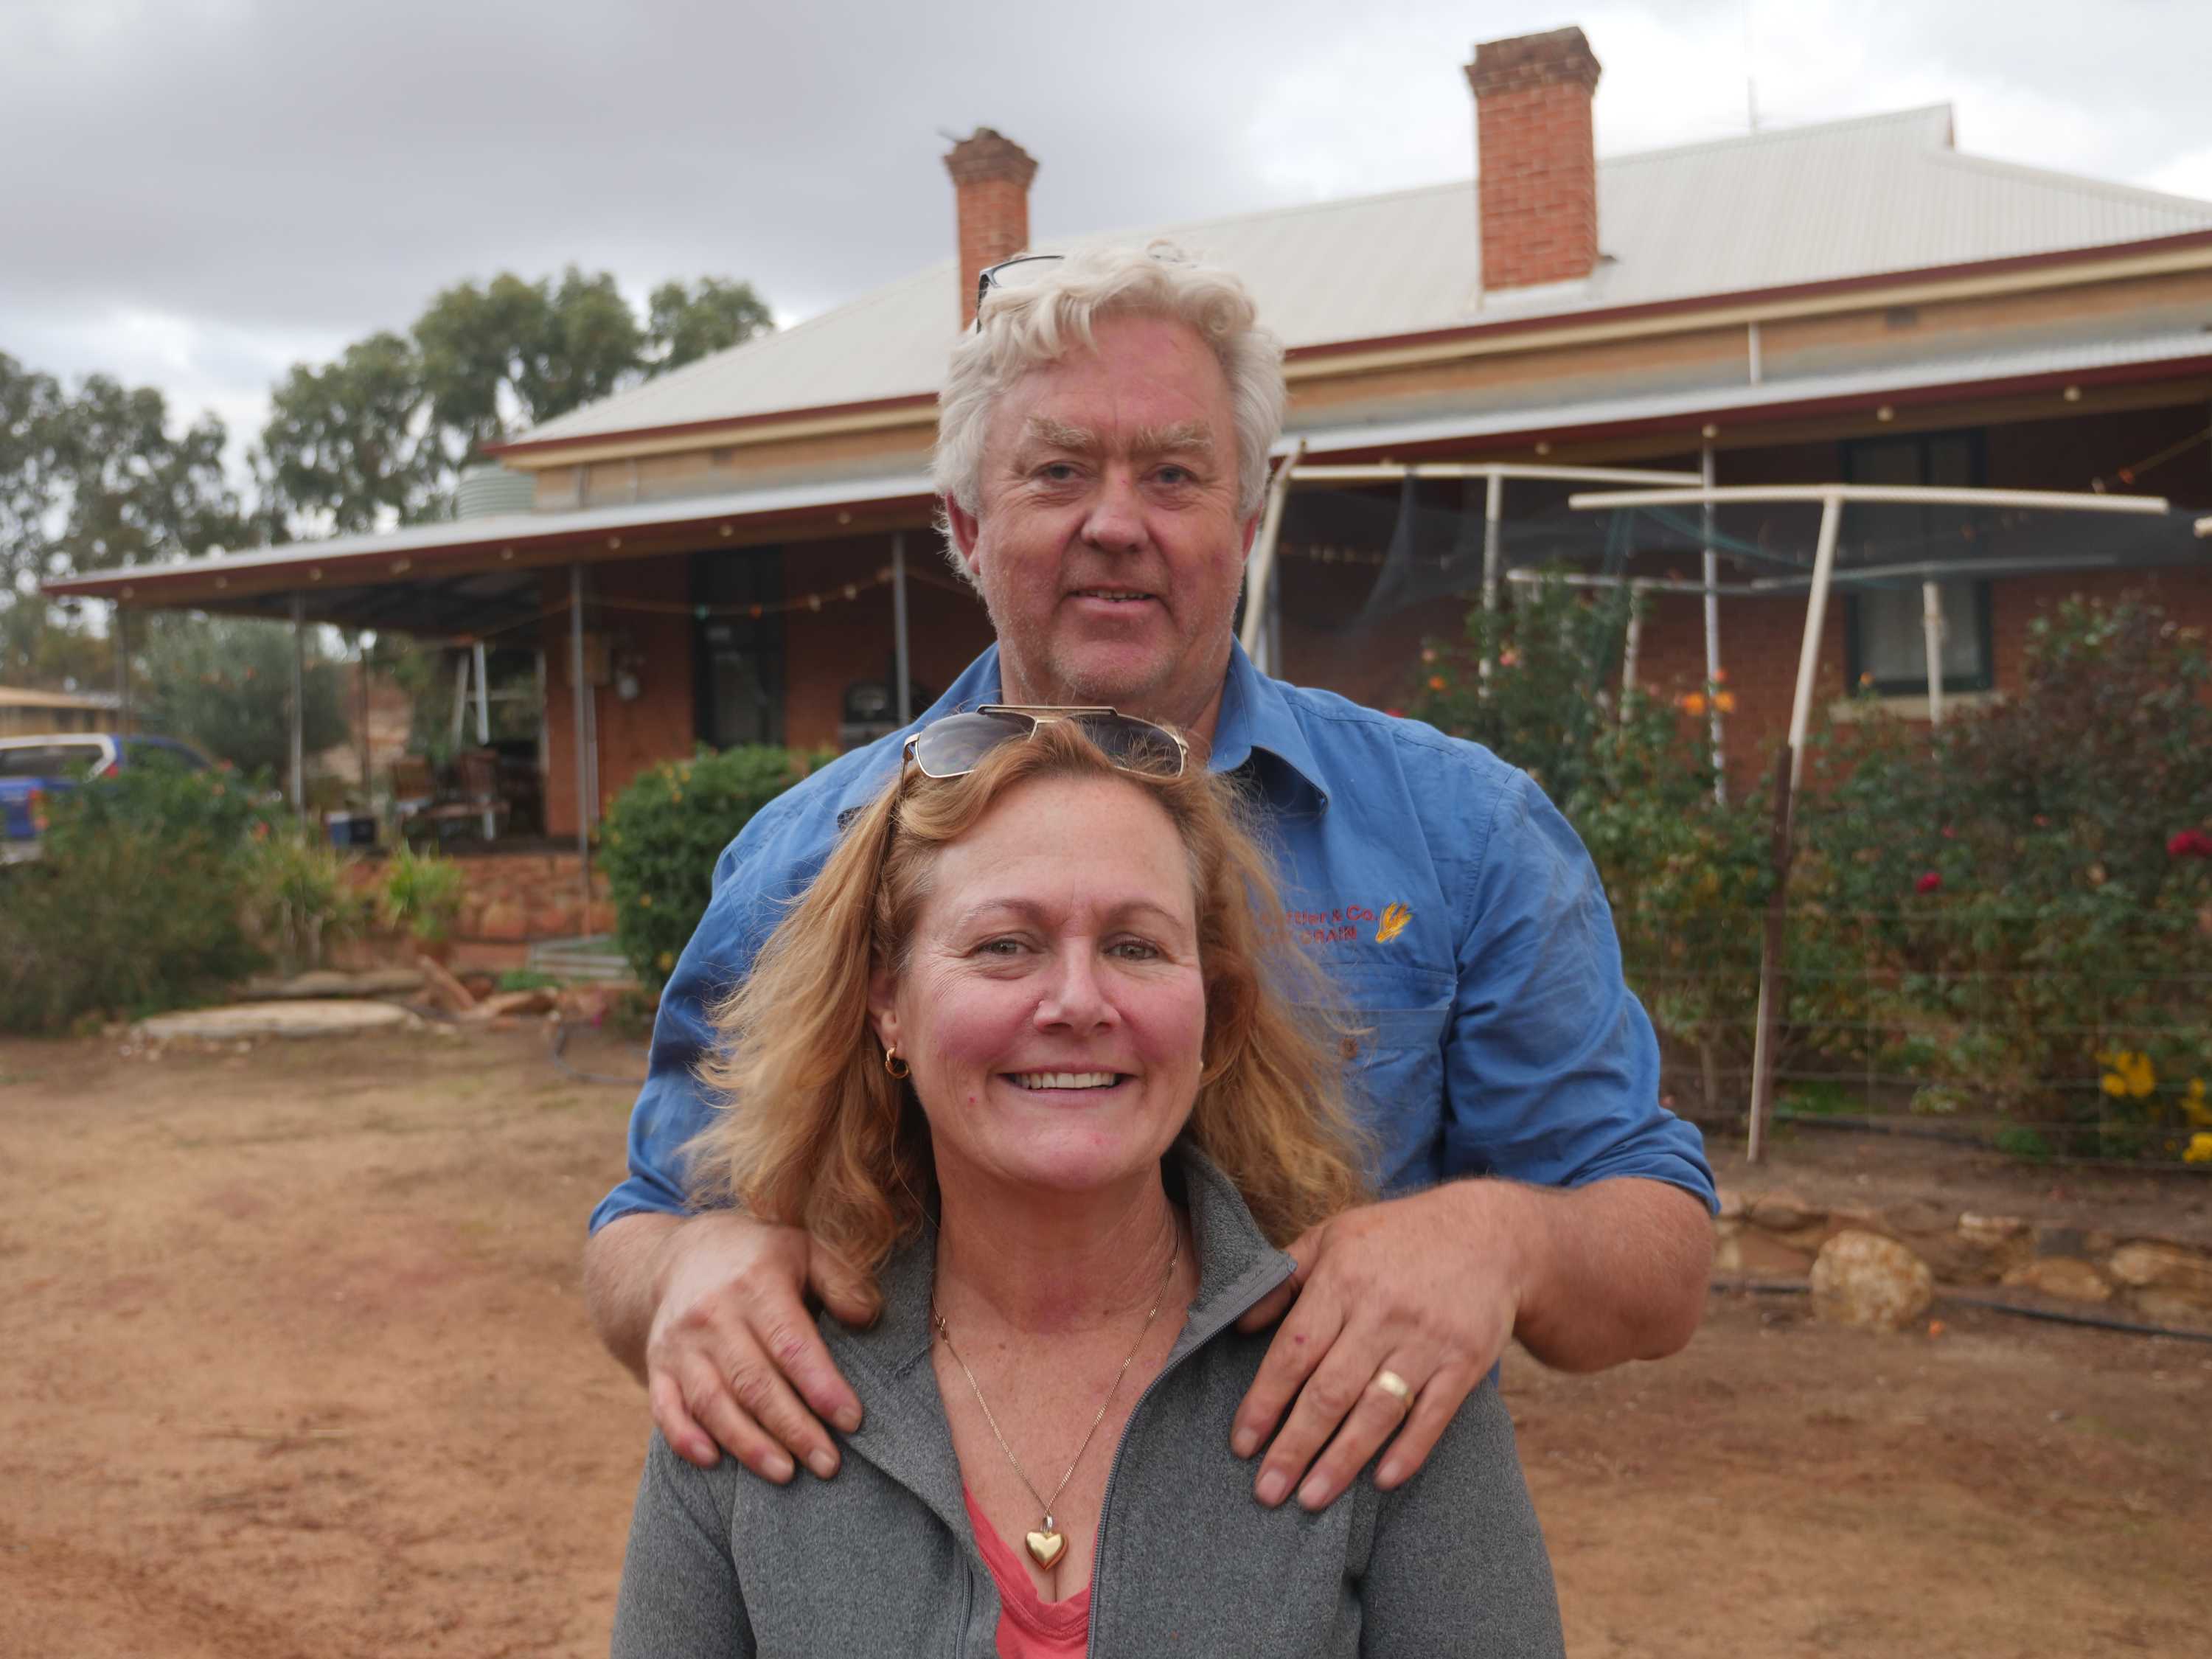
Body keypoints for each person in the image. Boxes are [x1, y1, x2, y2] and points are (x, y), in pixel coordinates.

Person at [585, 243, 1717, 1517]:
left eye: (1173, 474)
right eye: (1058, 470)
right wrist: (686, 1267)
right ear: (965, 522)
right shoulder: (803, 861)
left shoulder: (1465, 835)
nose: (1115, 521)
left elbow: (1661, 1254)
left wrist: (1506, 1240)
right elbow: (639, 1225)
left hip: (1327, 1570)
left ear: (1244, 519)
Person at [610, 713, 1565, 1657]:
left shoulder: (1377, 1362)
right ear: (887, 1002)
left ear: (1214, 1010)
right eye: (1005, 945)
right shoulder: (746, 1368)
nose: (1077, 1000)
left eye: (1136, 946)